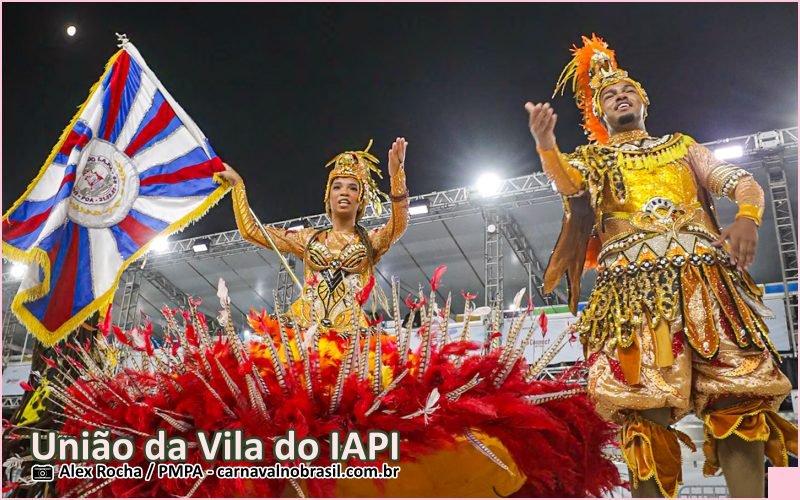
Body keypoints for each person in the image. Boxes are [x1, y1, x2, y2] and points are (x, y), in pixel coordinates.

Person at [526, 34, 797, 498]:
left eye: (627, 90)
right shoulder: (596, 160)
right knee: (643, 409)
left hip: (708, 288)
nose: (619, 96)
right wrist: (546, 145)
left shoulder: (682, 147)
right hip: (634, 298)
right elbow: (570, 186)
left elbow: (741, 182)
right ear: (599, 113)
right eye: (609, 96)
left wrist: (748, 217)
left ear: (643, 101)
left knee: (739, 399)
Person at [217, 138, 410, 333]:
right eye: (337, 187)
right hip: (304, 332)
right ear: (328, 196)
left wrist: (397, 177)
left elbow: (399, 225)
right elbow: (251, 231)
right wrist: (238, 186)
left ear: (361, 200)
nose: (344, 192)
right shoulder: (308, 238)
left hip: (350, 338)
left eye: (353, 188)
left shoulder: (370, 241)